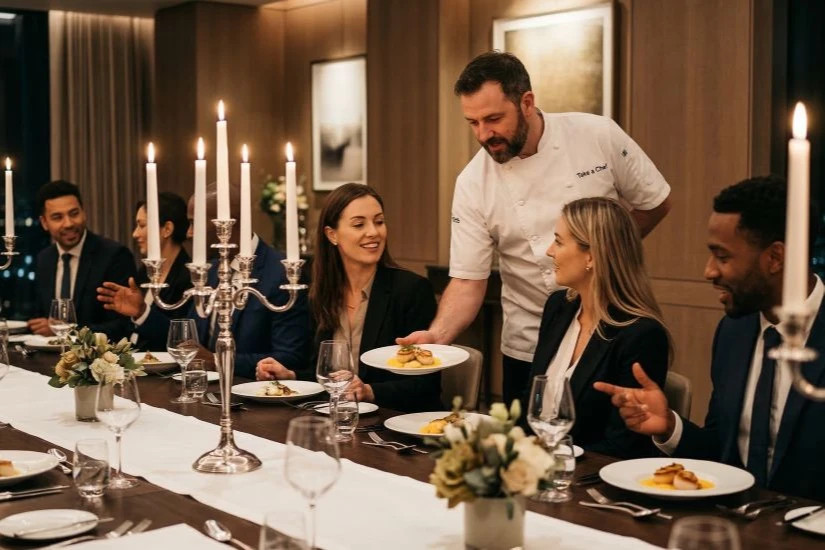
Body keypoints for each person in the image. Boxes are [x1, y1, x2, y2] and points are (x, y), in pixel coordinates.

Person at [398, 51, 672, 405]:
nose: (484, 134)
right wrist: (437, 335)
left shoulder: (597, 135)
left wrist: (605, 254)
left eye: (494, 119)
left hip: (610, 331)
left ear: (526, 102)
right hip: (529, 341)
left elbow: (654, 203)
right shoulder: (472, 182)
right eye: (473, 123)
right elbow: (468, 280)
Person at [594, 176, 825, 499]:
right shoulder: (735, 332)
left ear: (775, 258)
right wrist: (670, 427)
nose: (709, 271)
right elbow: (723, 452)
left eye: (723, 256)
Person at [257, 183, 442, 412]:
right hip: (336, 419)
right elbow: (325, 374)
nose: (373, 232)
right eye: (359, 224)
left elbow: (426, 385)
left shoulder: (411, 290)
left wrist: (369, 391)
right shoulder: (321, 293)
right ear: (332, 235)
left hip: (394, 424)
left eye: (379, 221)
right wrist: (290, 375)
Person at [97, 182, 311, 378]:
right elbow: (187, 342)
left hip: (253, 401)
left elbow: (290, 357)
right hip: (204, 394)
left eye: (193, 223)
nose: (189, 233)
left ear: (225, 225)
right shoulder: (210, 270)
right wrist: (142, 312)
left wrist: (216, 361)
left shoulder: (281, 272)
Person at [523, 197, 670, 458]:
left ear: (591, 256)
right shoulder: (559, 307)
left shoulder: (641, 335)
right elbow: (532, 407)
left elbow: (624, 446)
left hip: (593, 482)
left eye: (558, 241)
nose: (549, 251)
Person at [28, 180, 136, 341]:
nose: (69, 223)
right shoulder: (44, 259)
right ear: (44, 223)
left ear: (84, 212)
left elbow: (123, 326)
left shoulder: (114, 255)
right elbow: (39, 318)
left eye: (74, 213)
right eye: (57, 217)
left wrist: (66, 331)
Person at [96, 192, 192, 349]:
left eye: (141, 225)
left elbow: (182, 338)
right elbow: (127, 328)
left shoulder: (188, 278)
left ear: (167, 229)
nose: (135, 234)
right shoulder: (144, 273)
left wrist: (142, 313)